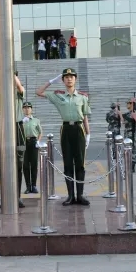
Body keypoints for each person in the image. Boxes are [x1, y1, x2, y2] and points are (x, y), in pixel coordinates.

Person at [36, 68, 91, 206]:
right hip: (66, 129)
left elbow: (85, 116)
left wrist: (88, 134)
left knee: (80, 163)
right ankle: (70, 196)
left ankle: (80, 195)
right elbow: (39, 92)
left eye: (72, 76)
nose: (69, 79)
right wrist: (50, 81)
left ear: (75, 79)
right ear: (62, 80)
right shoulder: (58, 95)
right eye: (66, 77)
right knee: (68, 163)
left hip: (79, 129)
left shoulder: (83, 97)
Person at [0, 72, 27, 208]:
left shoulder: (19, 92)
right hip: (4, 127)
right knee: (4, 163)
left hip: (17, 127)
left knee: (19, 164)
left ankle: (17, 196)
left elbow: (20, 89)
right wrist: (1, 92)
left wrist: (13, 76)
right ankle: (5, 197)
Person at [22, 102, 42, 194]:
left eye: (28, 107)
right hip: (24, 142)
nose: (27, 109)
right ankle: (28, 186)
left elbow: (40, 132)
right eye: (25, 108)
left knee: (34, 164)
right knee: (25, 165)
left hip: (33, 141)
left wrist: (38, 141)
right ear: (22, 109)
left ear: (31, 109)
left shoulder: (36, 120)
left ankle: (34, 185)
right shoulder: (21, 121)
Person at [119, 98, 136, 172]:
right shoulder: (128, 113)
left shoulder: (132, 113)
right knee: (128, 149)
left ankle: (131, 166)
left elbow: (124, 121)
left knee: (131, 149)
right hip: (127, 133)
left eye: (128, 103)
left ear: (131, 104)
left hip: (130, 134)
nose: (127, 105)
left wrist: (120, 115)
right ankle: (130, 166)